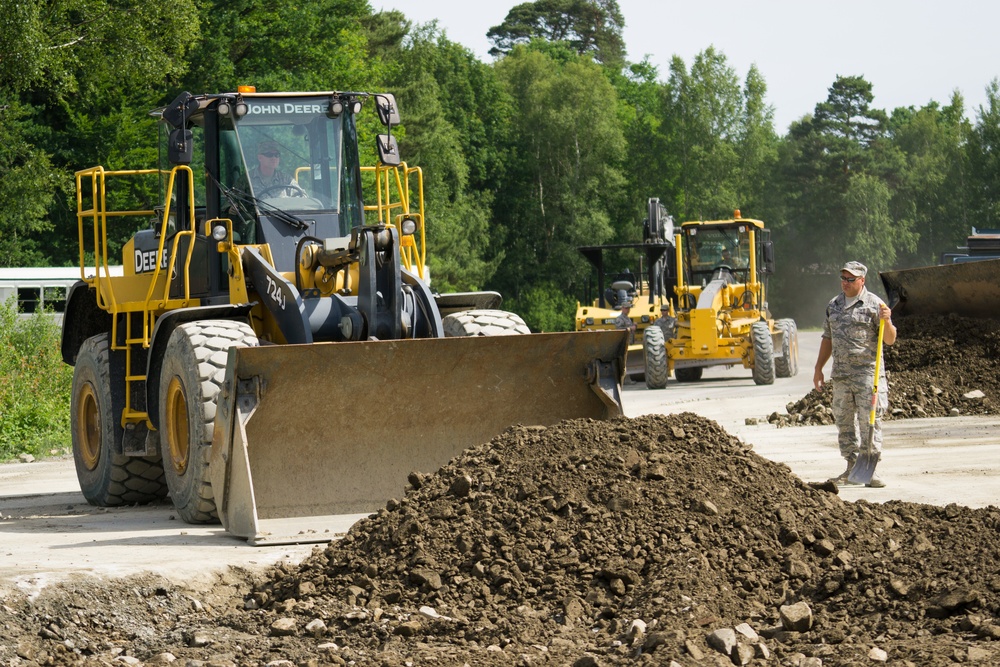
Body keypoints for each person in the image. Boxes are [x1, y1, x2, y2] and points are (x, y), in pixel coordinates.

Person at [813, 261, 897, 488]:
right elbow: (827, 338)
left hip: (867, 376)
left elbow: (889, 339)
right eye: (843, 278)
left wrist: (887, 320)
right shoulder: (834, 305)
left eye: (851, 279)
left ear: (862, 280)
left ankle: (871, 469)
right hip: (841, 376)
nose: (845, 283)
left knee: (869, 422)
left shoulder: (875, 305)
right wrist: (818, 368)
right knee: (844, 422)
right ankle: (851, 467)